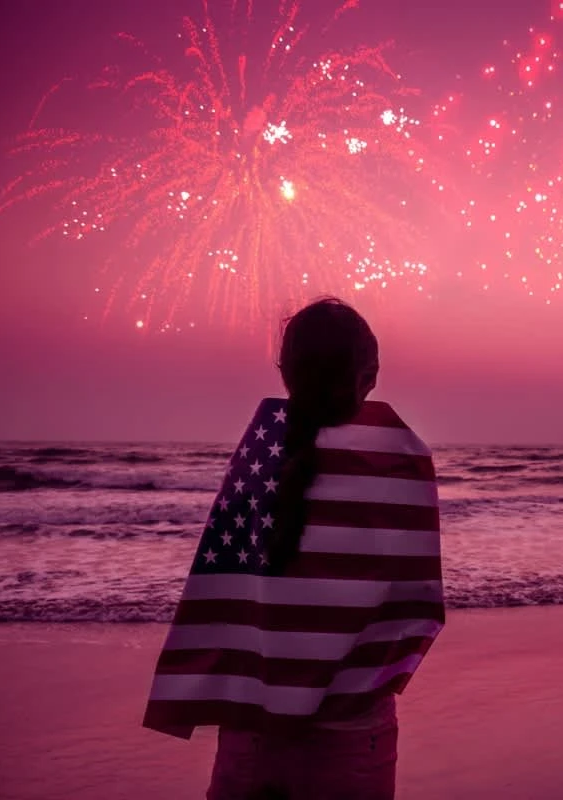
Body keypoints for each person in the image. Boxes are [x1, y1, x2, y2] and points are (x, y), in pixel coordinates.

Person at [143, 298, 445, 800]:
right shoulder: (401, 461)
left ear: (285, 371)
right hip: (355, 733)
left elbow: (224, 600)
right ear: (369, 374)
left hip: (254, 733)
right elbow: (415, 603)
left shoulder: (259, 459)